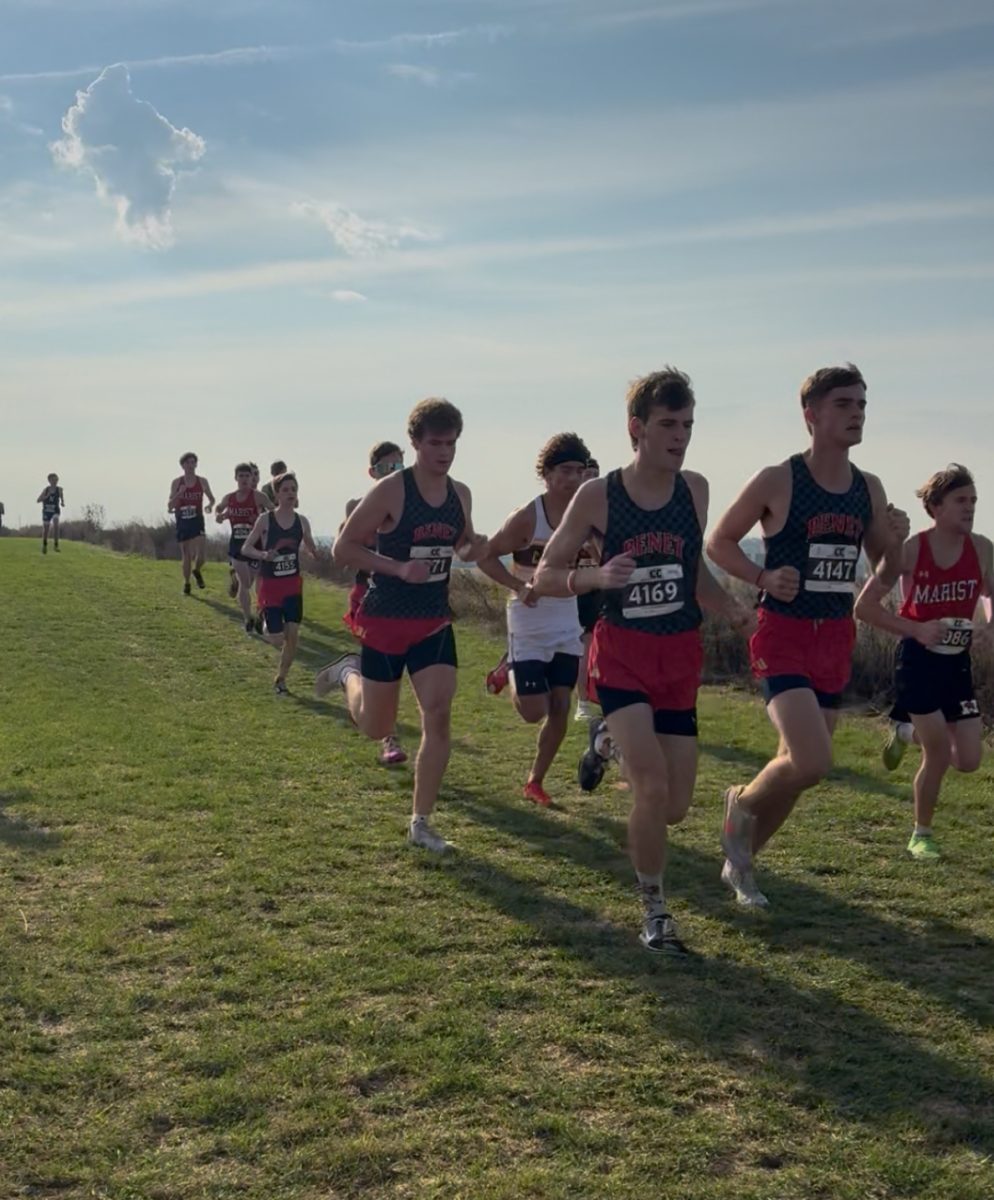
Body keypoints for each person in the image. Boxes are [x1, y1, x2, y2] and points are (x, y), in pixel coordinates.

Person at [533, 369, 756, 955]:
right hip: (623, 653)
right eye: (667, 425)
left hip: (679, 656)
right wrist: (596, 577)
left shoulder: (696, 490)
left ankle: (605, 743)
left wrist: (731, 607)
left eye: (686, 425)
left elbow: (692, 571)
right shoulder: (599, 495)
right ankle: (655, 910)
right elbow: (547, 575)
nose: (679, 437)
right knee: (652, 787)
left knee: (676, 807)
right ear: (637, 429)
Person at [707, 363, 908, 907]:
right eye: (844, 404)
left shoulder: (869, 487)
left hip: (834, 634)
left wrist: (896, 543)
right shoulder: (779, 478)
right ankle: (740, 804)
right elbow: (719, 542)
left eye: (862, 404)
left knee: (799, 770)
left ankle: (741, 864)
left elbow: (883, 572)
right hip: (784, 633)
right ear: (811, 414)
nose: (857, 413)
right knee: (813, 758)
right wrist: (762, 576)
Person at [318, 398, 488, 852]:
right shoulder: (393, 491)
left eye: (452, 443)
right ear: (415, 442)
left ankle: (421, 822)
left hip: (432, 619)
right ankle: (347, 673)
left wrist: (473, 549)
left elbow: (463, 544)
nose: (445, 452)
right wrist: (396, 568)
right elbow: (343, 549)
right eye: (435, 443)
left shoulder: (460, 494)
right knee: (377, 727)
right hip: (387, 618)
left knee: (439, 712)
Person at [855, 464, 992, 859]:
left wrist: (989, 627)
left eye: (974, 501)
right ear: (935, 507)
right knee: (936, 753)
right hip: (917, 660)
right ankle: (922, 834)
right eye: (960, 501)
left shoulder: (982, 549)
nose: (969, 509)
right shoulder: (911, 550)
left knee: (967, 760)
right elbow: (864, 608)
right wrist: (915, 630)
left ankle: (902, 733)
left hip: (957, 663)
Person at [476, 433, 591, 805]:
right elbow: (486, 556)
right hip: (527, 620)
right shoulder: (529, 516)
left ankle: (535, 781)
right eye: (565, 471)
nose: (573, 479)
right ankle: (508, 667)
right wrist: (516, 585)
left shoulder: (589, 517)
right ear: (546, 474)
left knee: (561, 706)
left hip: (567, 623)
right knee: (533, 711)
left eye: (579, 470)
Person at [341, 440, 409, 767]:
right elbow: (348, 549)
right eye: (386, 467)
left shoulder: (414, 501)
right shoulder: (358, 504)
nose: (393, 472)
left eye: (399, 465)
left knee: (392, 675)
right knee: (387, 674)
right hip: (367, 597)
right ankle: (389, 740)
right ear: (372, 472)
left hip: (402, 601)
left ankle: (347, 675)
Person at [239, 472, 318, 694]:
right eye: (285, 490)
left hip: (293, 586)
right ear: (276, 494)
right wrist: (264, 555)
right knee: (277, 637)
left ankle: (281, 679)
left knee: (293, 636)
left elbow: (310, 544)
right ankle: (263, 619)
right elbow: (246, 548)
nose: (290, 493)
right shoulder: (266, 520)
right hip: (270, 586)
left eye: (293, 489)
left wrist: (315, 554)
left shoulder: (301, 521)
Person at [215, 463, 272, 632]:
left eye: (248, 476)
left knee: (247, 583)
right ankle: (248, 618)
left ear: (252, 478)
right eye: (241, 476)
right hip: (237, 546)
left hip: (255, 547)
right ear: (236, 478)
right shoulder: (230, 498)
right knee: (245, 583)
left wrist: (265, 520)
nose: (245, 479)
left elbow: (274, 511)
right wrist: (219, 515)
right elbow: (219, 508)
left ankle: (251, 614)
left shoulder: (259, 497)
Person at [574, 457, 602, 721]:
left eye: (595, 473)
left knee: (601, 645)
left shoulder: (604, 510)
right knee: (584, 645)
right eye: (586, 473)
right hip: (578, 586)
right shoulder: (571, 512)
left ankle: (600, 699)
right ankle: (582, 702)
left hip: (601, 585)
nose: (590, 478)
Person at [167, 453, 215, 595]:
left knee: (201, 555)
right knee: (186, 554)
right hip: (182, 519)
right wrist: (179, 494)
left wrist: (210, 506)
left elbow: (212, 499)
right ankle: (187, 583)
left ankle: (197, 570)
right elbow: (170, 506)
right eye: (188, 462)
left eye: (193, 462)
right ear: (182, 465)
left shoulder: (202, 481)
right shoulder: (177, 482)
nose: (191, 465)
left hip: (197, 519)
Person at [37, 473, 64, 553]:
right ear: (49, 481)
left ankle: (56, 545)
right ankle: (44, 545)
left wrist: (62, 503)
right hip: (47, 511)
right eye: (53, 480)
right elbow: (38, 500)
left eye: (56, 480)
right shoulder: (46, 490)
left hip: (55, 510)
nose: (55, 481)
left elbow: (62, 498)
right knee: (46, 529)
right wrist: (46, 496)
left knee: (56, 525)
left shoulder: (59, 490)